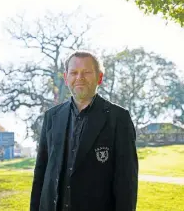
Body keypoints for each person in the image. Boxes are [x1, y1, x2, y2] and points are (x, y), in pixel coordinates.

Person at [30, 50, 138, 211]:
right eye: (74, 72)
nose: (79, 77)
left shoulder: (118, 118)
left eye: (86, 72)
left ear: (99, 78)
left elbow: (126, 182)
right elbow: (41, 174)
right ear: (66, 78)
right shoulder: (51, 117)